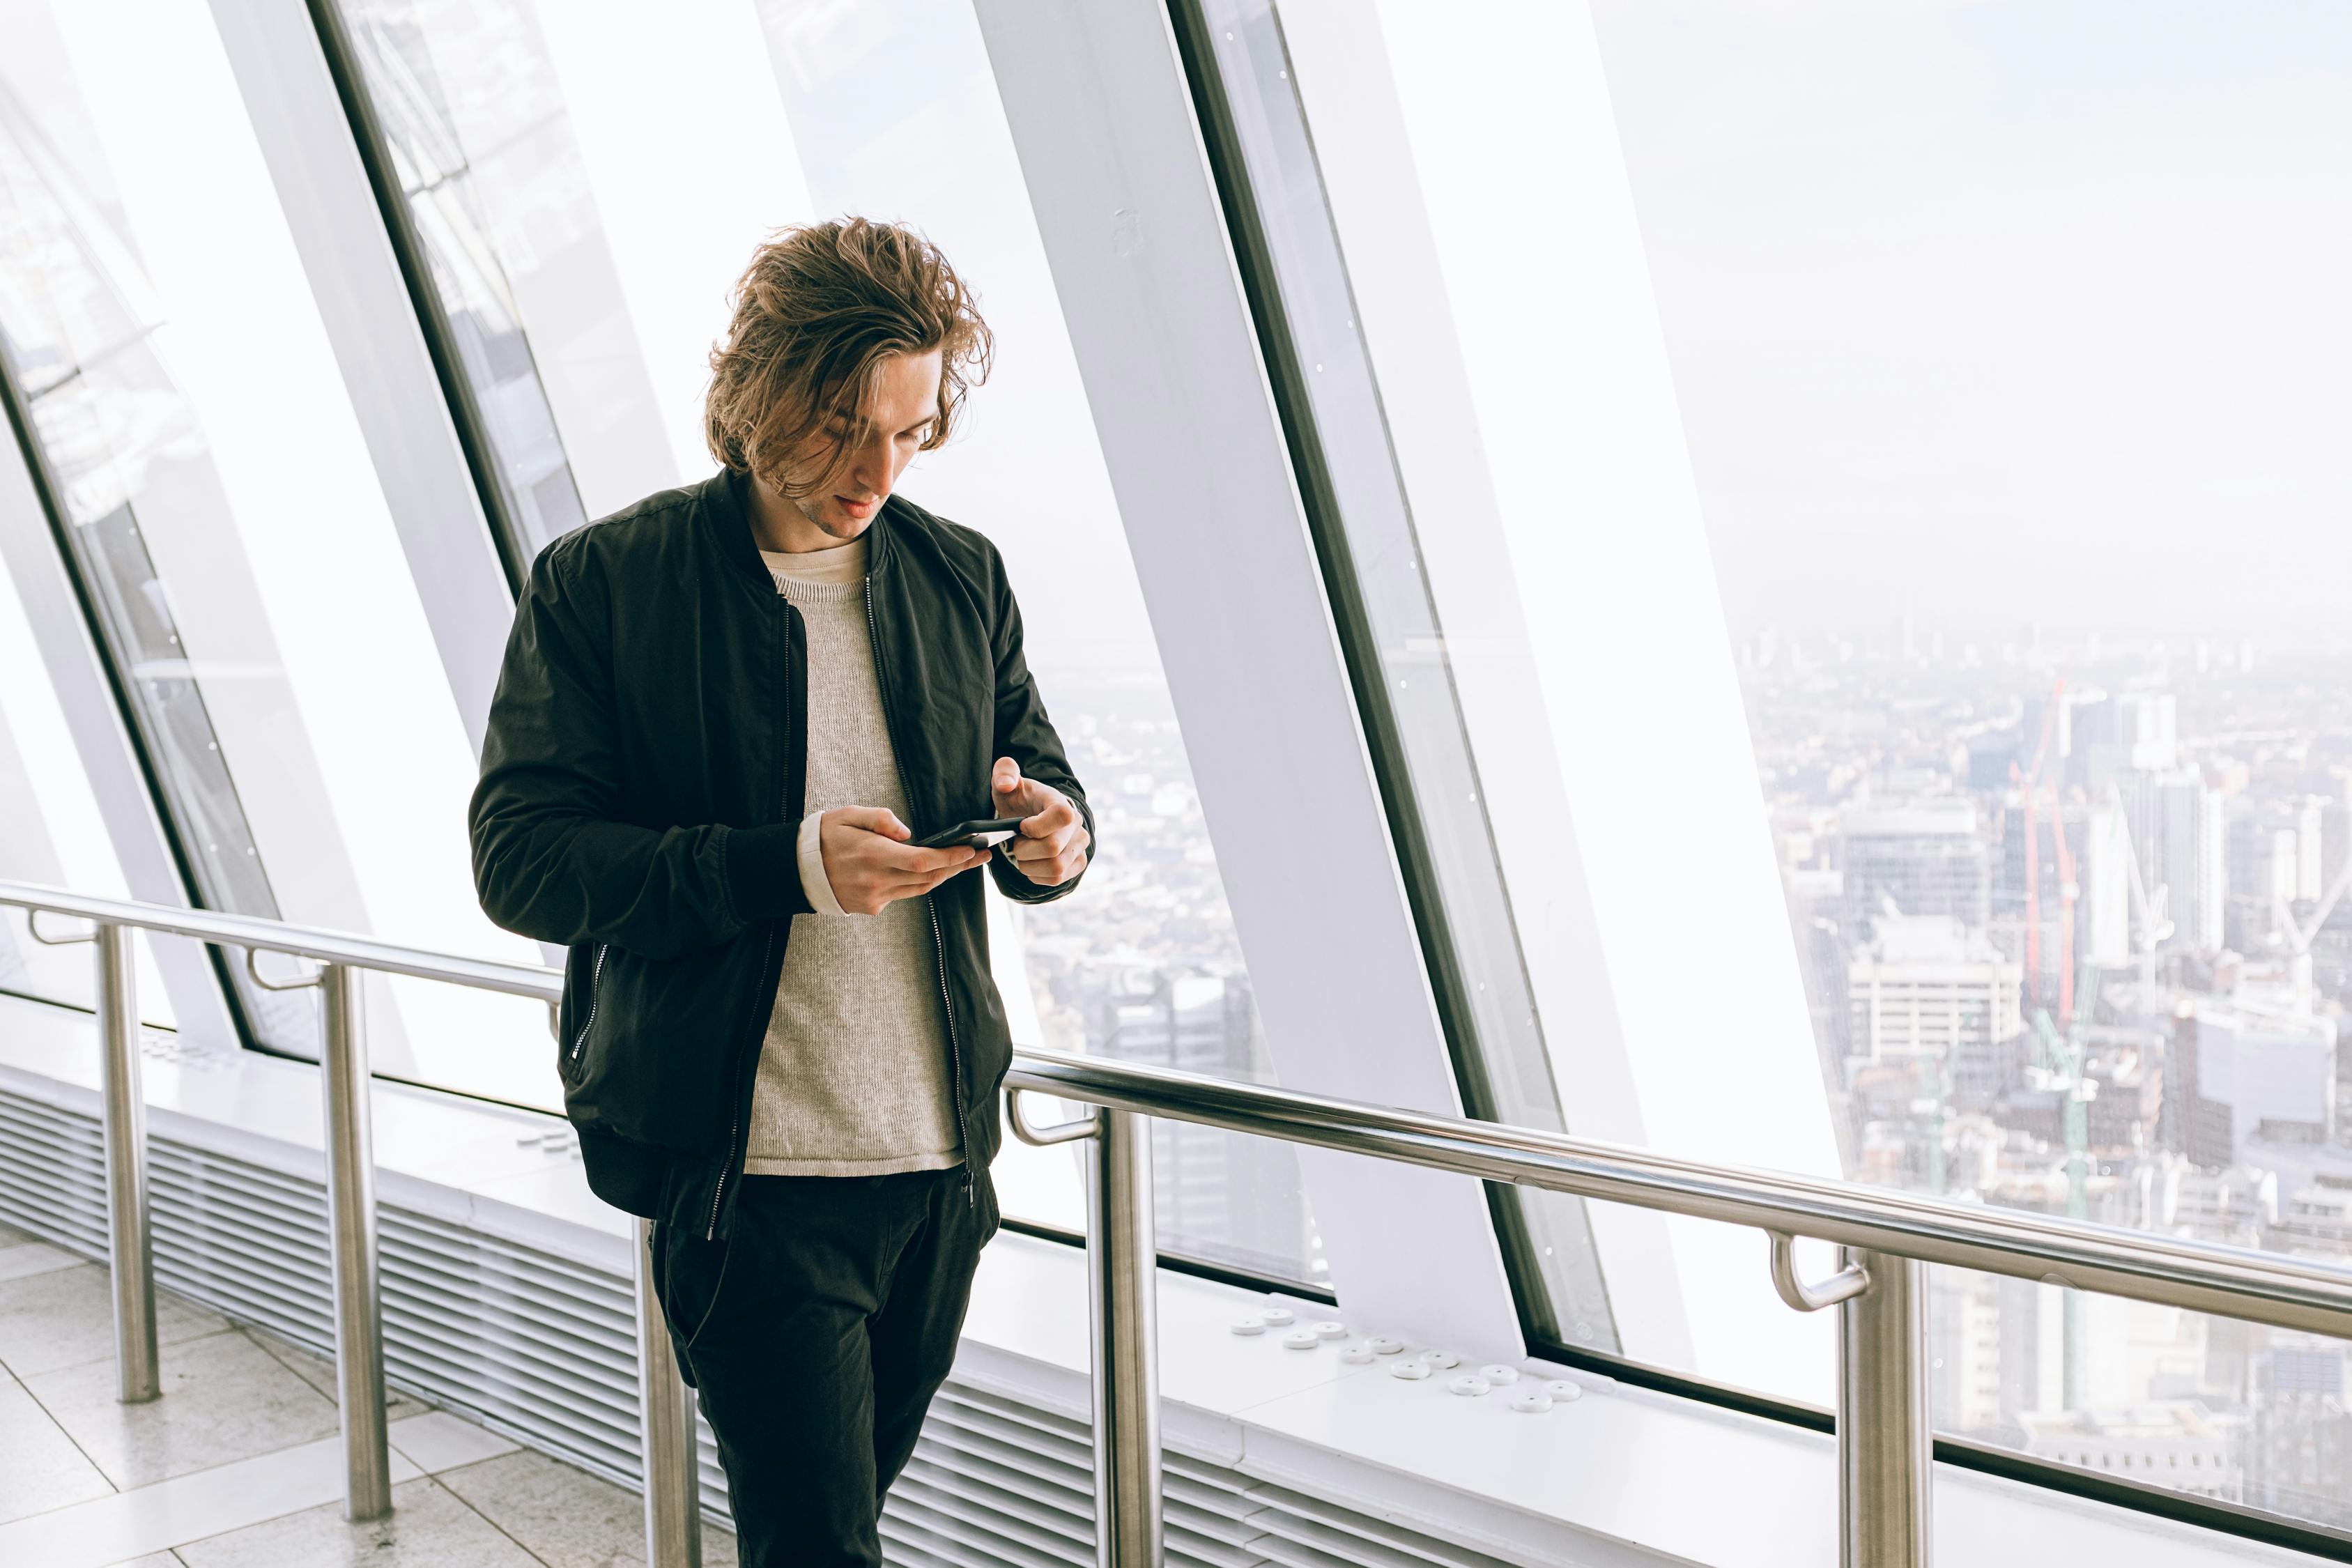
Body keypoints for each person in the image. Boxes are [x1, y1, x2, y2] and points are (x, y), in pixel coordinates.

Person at [468, 218, 1093, 1566]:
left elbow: (1032, 767)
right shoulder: (606, 585)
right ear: (757, 395)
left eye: (914, 430)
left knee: (827, 1536)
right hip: (747, 1185)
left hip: (938, 1170)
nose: (881, 469)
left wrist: (1055, 833)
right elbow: (520, 858)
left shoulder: (958, 575)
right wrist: (788, 866)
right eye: (843, 428)